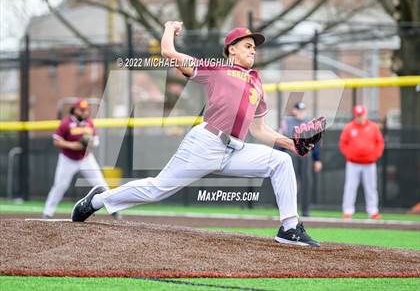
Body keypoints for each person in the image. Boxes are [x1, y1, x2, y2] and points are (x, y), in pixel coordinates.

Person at [72, 22, 324, 247]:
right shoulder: (216, 70)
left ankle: (289, 227)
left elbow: (258, 129)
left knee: (281, 161)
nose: (253, 50)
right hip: (206, 143)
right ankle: (96, 201)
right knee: (157, 189)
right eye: (247, 45)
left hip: (235, 150)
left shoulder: (257, 82)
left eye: (254, 47)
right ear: (231, 49)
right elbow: (168, 54)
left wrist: (291, 145)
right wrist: (169, 29)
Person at [43, 99, 120, 220]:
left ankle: (114, 210)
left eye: (86, 110)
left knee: (100, 183)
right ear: (75, 110)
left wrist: (92, 143)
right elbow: (56, 140)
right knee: (60, 186)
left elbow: (95, 139)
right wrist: (71, 145)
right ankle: (47, 212)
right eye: (81, 110)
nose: (84, 112)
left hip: (86, 158)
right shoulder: (66, 123)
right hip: (68, 159)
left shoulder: (89, 122)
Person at [339, 105, 384, 219]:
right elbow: (343, 143)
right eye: (358, 115)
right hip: (353, 163)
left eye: (362, 115)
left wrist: (375, 155)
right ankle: (348, 211)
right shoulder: (349, 127)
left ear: (366, 114)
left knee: (371, 187)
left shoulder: (373, 127)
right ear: (355, 115)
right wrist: (350, 154)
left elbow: (380, 143)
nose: (360, 117)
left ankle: (373, 211)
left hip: (369, 163)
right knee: (350, 187)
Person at [279, 101, 322, 216]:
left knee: (306, 182)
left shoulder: (310, 124)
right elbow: (280, 139)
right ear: (294, 110)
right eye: (299, 110)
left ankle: (305, 211)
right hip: (291, 154)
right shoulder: (287, 122)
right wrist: (278, 154)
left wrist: (317, 159)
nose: (301, 112)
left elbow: (316, 142)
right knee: (290, 182)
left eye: (303, 110)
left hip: (306, 155)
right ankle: (289, 211)